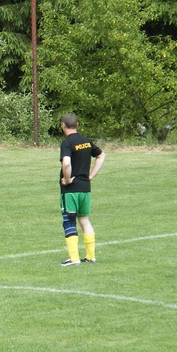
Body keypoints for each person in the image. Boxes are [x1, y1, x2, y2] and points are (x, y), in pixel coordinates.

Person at [59, 113, 106, 266]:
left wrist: (67, 180)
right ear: (77, 125)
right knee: (84, 220)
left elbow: (66, 163)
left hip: (71, 190)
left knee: (69, 221)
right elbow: (101, 156)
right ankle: (91, 257)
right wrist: (91, 175)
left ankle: (74, 259)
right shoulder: (86, 141)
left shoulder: (67, 143)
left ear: (63, 126)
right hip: (85, 188)